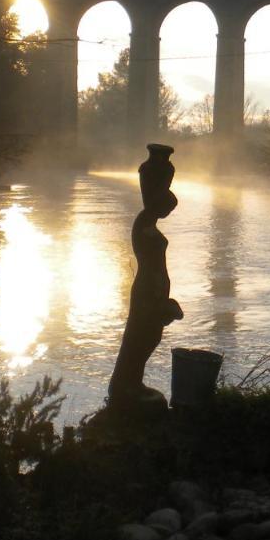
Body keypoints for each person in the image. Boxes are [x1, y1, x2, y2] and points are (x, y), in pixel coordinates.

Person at [108, 144, 183, 410]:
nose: (168, 212)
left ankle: (133, 382)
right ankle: (123, 386)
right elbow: (150, 264)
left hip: (154, 289)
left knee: (149, 338)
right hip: (147, 290)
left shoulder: (148, 223)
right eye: (168, 207)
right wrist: (157, 298)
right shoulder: (142, 223)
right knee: (138, 338)